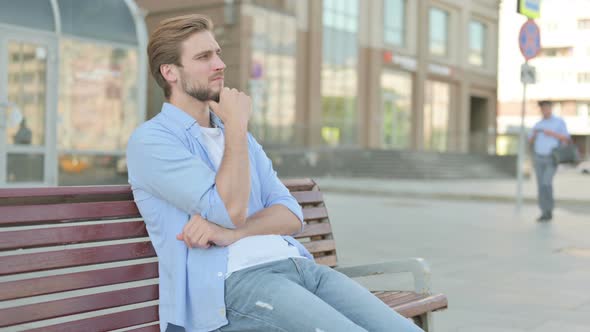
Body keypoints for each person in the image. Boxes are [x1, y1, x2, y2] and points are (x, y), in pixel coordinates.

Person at [126, 14, 423, 332]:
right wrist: (237, 127)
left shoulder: (239, 137)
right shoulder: (153, 141)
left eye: (218, 53)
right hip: (234, 286)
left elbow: (290, 213)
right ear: (169, 72)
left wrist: (234, 233)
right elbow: (230, 210)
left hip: (301, 269)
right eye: (203, 57)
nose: (219, 64)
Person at [528, 100, 571, 222]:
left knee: (546, 183)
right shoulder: (538, 124)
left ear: (550, 108)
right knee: (540, 185)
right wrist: (534, 135)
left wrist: (552, 133)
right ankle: (544, 211)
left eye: (546, 108)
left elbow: (566, 138)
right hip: (538, 157)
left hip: (551, 157)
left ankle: (549, 209)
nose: (544, 110)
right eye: (542, 108)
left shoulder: (559, 122)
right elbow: (530, 141)